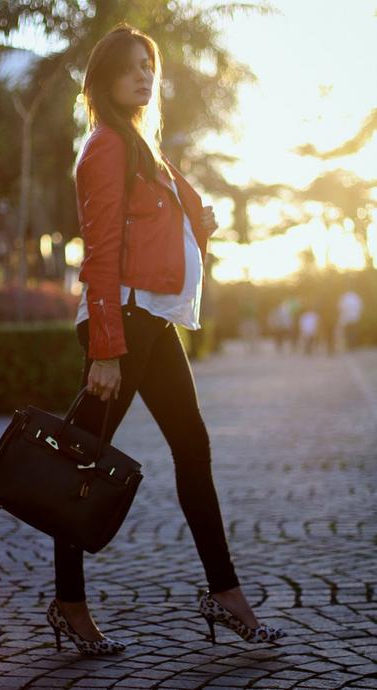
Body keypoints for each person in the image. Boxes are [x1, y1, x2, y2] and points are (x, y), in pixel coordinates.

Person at [46, 23, 286, 655]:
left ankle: (223, 592)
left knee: (187, 445)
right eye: (130, 67)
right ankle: (70, 603)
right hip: (124, 321)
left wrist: (196, 223)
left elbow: (161, 241)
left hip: (151, 317)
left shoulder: (143, 147)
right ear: (103, 80)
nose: (144, 76)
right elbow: (98, 254)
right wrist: (104, 347)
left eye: (149, 65)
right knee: (79, 461)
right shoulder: (106, 147)